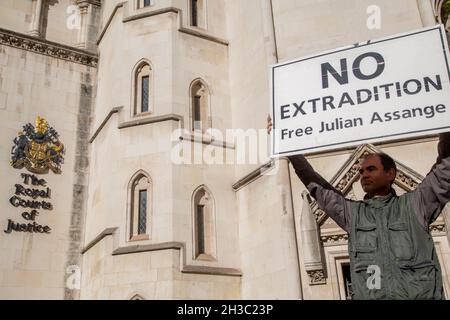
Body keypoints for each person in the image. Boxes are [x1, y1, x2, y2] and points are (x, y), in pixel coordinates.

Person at [267, 115, 450, 300]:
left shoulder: (416, 204)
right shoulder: (353, 214)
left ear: (390, 173)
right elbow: (314, 183)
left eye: (371, 169)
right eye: (361, 171)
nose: (363, 175)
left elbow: (446, 167)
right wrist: (288, 145)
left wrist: (444, 112)